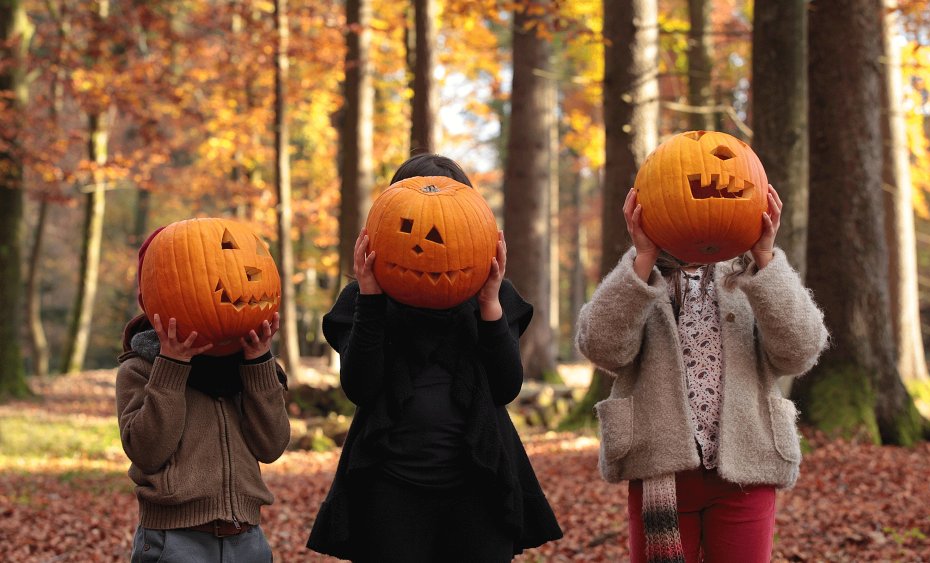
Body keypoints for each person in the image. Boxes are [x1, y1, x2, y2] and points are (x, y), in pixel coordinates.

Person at [306, 153, 563, 562]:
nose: (431, 244)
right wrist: (371, 299)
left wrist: (490, 305)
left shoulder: (495, 301)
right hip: (389, 491)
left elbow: (505, 386)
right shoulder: (361, 302)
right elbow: (360, 387)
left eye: (450, 223)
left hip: (478, 488)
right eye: (408, 223)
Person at [576, 185, 829, 563]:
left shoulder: (752, 272)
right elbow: (602, 347)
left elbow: (800, 350)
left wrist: (765, 258)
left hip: (747, 469)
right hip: (660, 469)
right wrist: (643, 257)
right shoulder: (645, 274)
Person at [116, 232, 290, 563]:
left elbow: (272, 446)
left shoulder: (250, 367)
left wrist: (258, 363)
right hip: (174, 541)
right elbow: (147, 451)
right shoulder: (139, 369)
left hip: (247, 539)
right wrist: (172, 367)